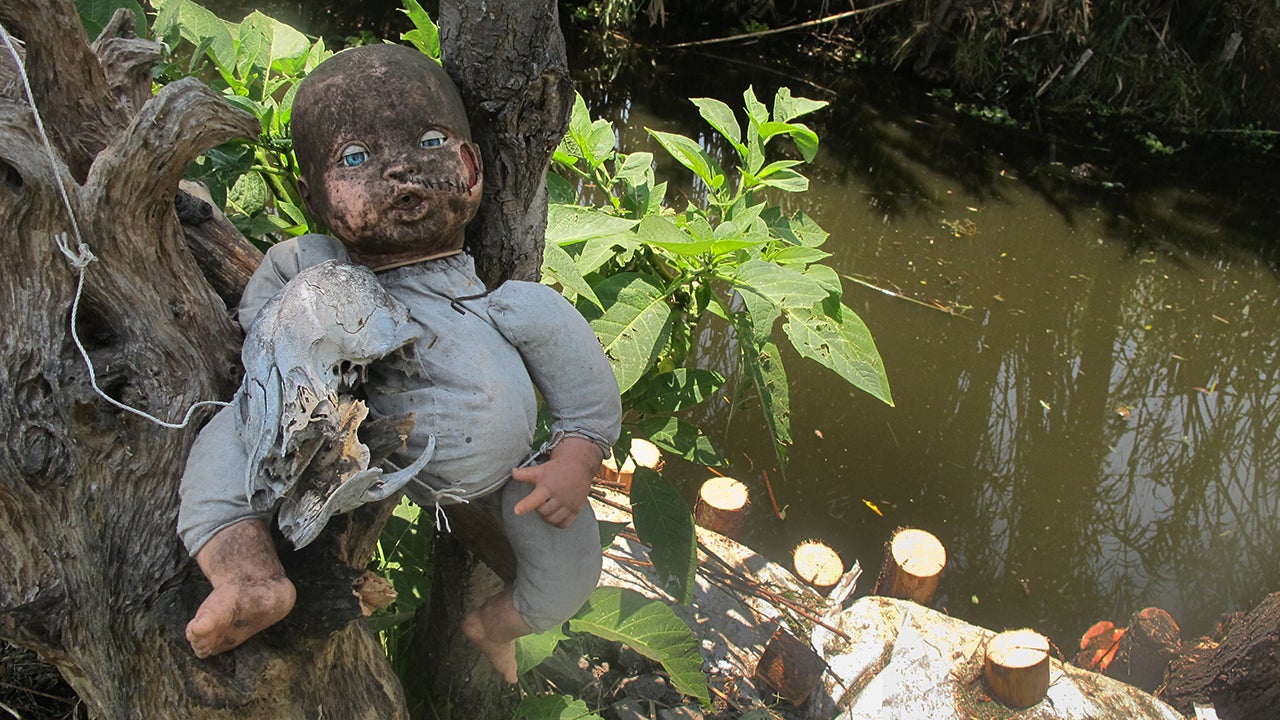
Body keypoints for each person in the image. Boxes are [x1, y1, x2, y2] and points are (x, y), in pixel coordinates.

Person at [176, 43, 621, 684]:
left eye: (430, 142)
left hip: (513, 483)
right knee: (233, 438)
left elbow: (580, 381)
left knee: (572, 575)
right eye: (356, 159)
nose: (400, 171)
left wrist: (577, 454)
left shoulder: (509, 306)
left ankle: (492, 624)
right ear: (314, 195)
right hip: (346, 444)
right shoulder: (319, 262)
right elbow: (262, 321)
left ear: (471, 164)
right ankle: (248, 577)